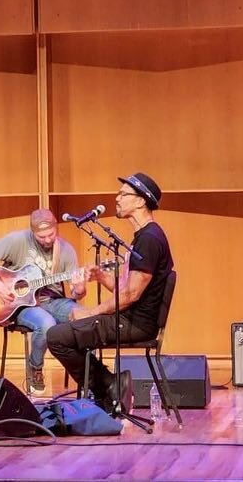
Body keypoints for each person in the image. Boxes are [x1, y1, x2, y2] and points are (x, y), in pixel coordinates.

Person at [47, 172, 174, 414]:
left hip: (134, 323)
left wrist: (90, 312)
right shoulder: (143, 237)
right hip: (129, 318)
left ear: (140, 201)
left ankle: (106, 386)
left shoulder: (149, 239)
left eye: (123, 194)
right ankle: (109, 386)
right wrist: (103, 277)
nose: (117, 198)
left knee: (56, 336)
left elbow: (131, 296)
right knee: (67, 334)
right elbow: (128, 290)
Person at [0, 208, 85, 396]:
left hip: (52, 300)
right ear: (33, 233)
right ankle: (35, 368)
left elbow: (77, 293)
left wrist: (79, 288)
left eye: (51, 234)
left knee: (85, 318)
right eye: (42, 237)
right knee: (46, 324)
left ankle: (87, 377)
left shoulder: (66, 250)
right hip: (21, 304)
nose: (48, 240)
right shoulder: (18, 240)